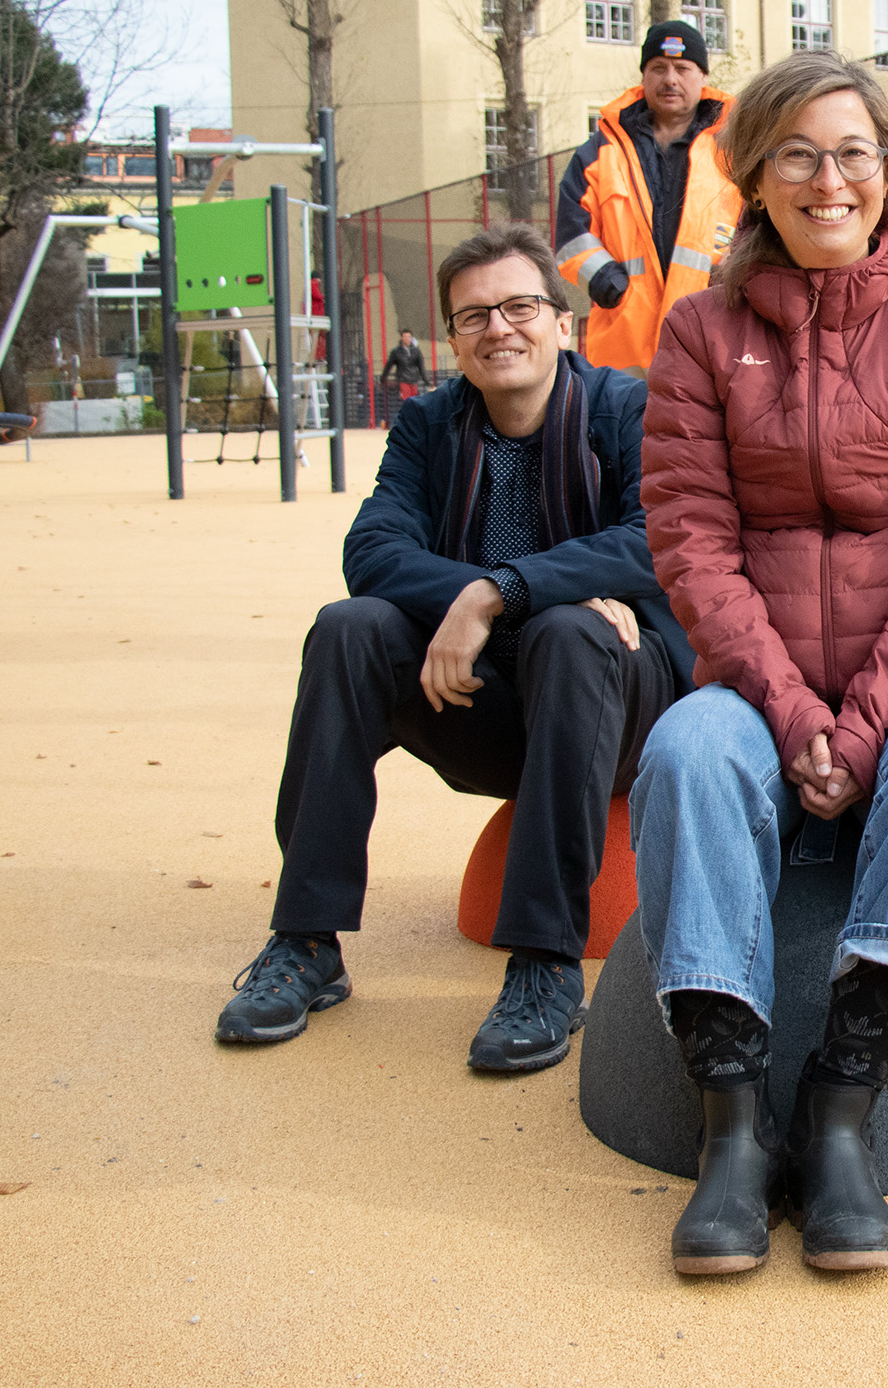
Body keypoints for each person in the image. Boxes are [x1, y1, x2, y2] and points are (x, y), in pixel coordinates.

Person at [632, 52, 888, 1276]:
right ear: (753, 175)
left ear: (887, 169)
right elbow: (691, 542)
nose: (827, 178)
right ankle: (734, 1120)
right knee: (686, 752)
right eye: (795, 152)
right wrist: (794, 708)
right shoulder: (699, 332)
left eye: (851, 151)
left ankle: (843, 1101)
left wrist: (859, 730)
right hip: (756, 687)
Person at [215, 224, 689, 1076]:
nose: (498, 328)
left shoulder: (628, 407)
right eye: (473, 316)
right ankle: (307, 939)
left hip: (618, 704)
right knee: (348, 628)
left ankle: (545, 965)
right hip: (479, 699)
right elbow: (373, 551)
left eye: (518, 306)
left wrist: (497, 590)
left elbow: (660, 537)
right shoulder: (430, 424)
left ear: (563, 322)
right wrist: (491, 600)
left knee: (571, 628)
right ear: (453, 338)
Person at [554, 19, 738, 378]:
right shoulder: (601, 150)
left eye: (683, 68)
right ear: (643, 76)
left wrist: (732, 277)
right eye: (659, 68)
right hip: (624, 342)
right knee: (621, 430)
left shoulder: (734, 149)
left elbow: (760, 221)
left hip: (713, 329)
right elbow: (571, 232)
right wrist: (607, 281)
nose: (670, 79)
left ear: (703, 77)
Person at [380, 328, 426, 421]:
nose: (407, 339)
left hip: (414, 379)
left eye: (409, 337)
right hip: (403, 379)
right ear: (401, 338)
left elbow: (421, 366)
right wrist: (383, 377)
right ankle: (408, 421)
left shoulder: (416, 351)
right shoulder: (396, 351)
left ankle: (414, 420)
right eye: (405, 337)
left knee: (414, 401)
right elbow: (389, 365)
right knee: (407, 401)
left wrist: (426, 380)